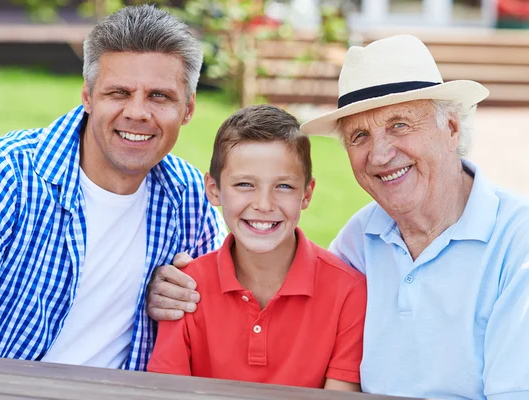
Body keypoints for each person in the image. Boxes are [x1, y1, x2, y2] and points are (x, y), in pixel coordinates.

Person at [147, 35, 529, 399]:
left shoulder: (517, 243)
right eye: (359, 136)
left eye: (399, 124)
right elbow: (271, 271)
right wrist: (175, 286)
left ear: (451, 127)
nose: (379, 155)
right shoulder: (361, 239)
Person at [0, 5, 225, 371]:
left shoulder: (191, 199)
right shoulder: (3, 172)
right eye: (118, 93)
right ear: (87, 97)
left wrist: (180, 299)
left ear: (188, 109)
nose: (137, 112)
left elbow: (234, 316)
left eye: (159, 96)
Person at [146, 104, 366, 391]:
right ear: (213, 189)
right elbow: (167, 393)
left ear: (306, 194)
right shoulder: (185, 289)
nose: (264, 204)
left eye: (284, 186)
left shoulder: (348, 291)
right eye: (245, 184)